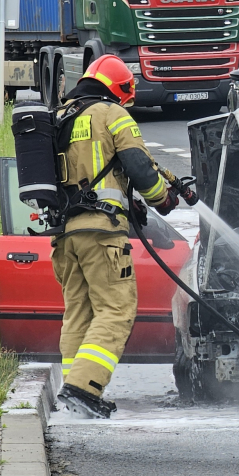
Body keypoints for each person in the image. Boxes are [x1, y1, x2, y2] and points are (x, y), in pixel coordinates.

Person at [52, 55, 179, 418]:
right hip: (101, 233)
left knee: (80, 311)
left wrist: (129, 203)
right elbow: (139, 165)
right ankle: (83, 389)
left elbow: (92, 173)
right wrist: (161, 198)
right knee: (116, 309)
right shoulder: (111, 113)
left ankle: (71, 388)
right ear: (120, 89)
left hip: (65, 235)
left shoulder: (63, 114)